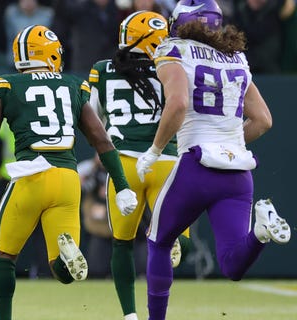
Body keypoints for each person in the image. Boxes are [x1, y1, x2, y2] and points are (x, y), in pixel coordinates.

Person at [135, 1, 291, 319]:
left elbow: (177, 104)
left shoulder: (174, 49)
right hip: (237, 171)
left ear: (181, 22)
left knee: (159, 240)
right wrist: (227, 143)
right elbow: (263, 120)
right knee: (233, 264)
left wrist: (154, 150)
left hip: (197, 165)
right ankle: (261, 233)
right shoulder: (236, 58)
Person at [0, 25, 138, 320]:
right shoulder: (74, 84)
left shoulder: (6, 85)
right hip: (66, 179)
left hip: (30, 176)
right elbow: (101, 139)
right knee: (62, 272)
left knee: (4, 258)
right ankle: (67, 253)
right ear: (50, 54)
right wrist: (122, 184)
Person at [87, 11, 192, 320]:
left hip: (123, 165)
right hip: (165, 161)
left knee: (121, 244)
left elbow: (93, 120)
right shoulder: (172, 67)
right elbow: (184, 109)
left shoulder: (101, 70)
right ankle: (176, 240)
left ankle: (129, 315)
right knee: (166, 237)